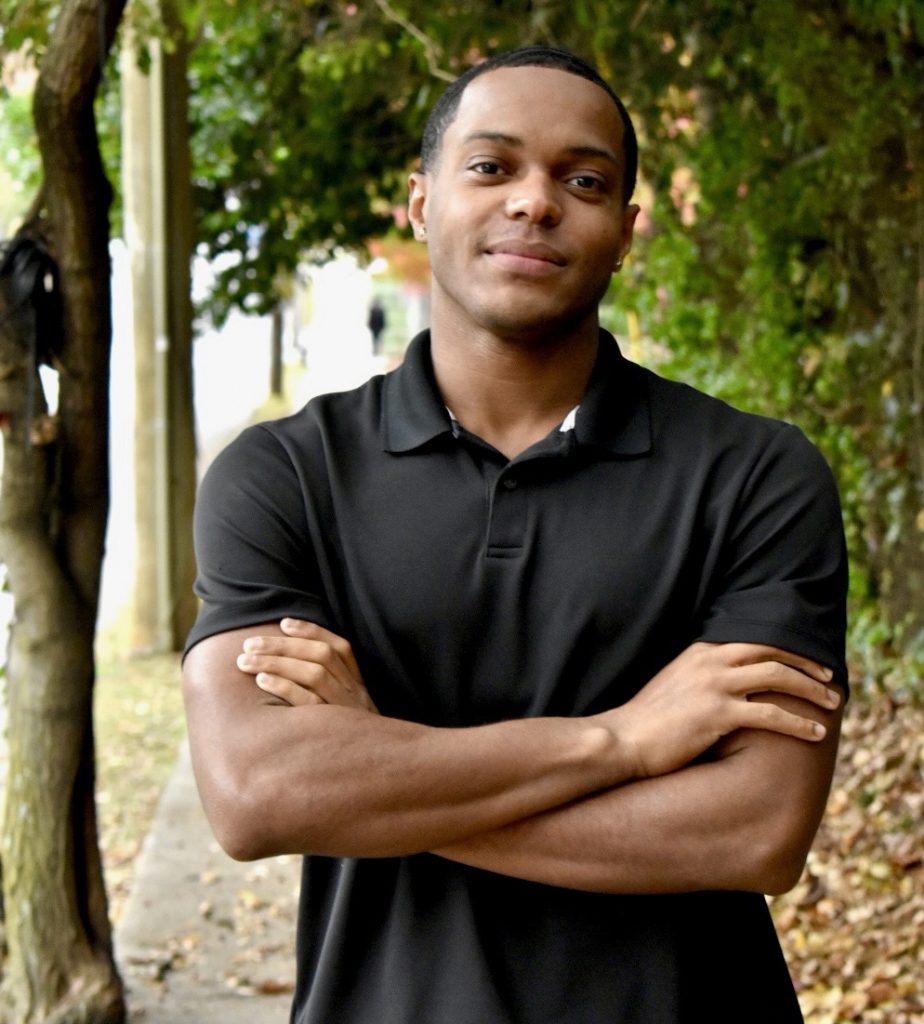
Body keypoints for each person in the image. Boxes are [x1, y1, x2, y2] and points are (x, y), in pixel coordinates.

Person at [182, 45, 847, 1024]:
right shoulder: (285, 476)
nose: (535, 202)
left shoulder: (755, 476)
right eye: (492, 166)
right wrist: (622, 740)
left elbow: (754, 831)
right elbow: (256, 796)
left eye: (583, 181)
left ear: (625, 234)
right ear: (421, 203)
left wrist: (375, 766)